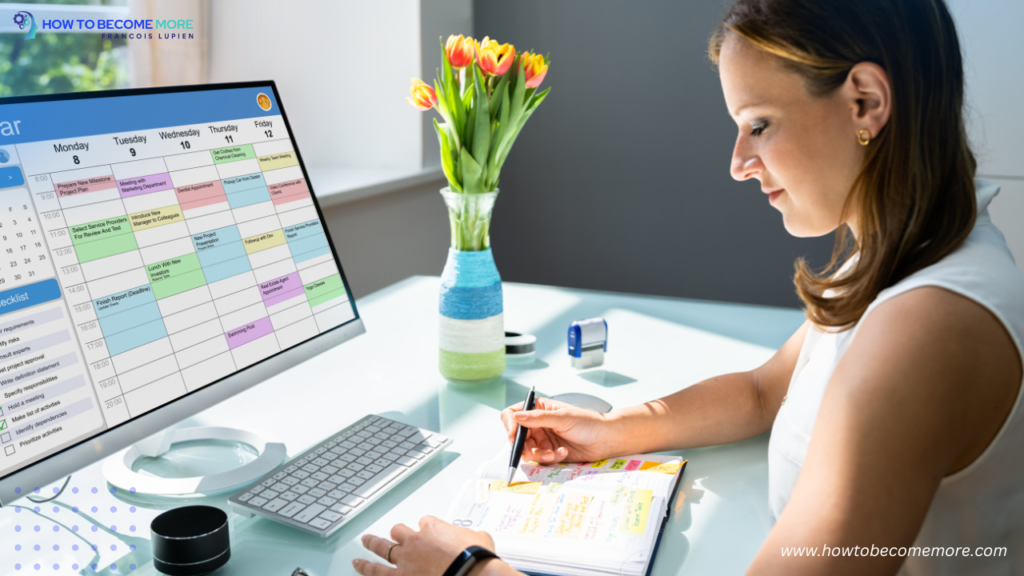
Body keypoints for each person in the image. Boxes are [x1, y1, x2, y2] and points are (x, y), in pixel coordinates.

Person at [353, 0, 1024, 574]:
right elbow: (766, 390)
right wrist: (613, 430)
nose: (737, 164)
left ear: (865, 102)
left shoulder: (927, 325)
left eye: (758, 123)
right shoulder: (904, 250)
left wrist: (473, 567)